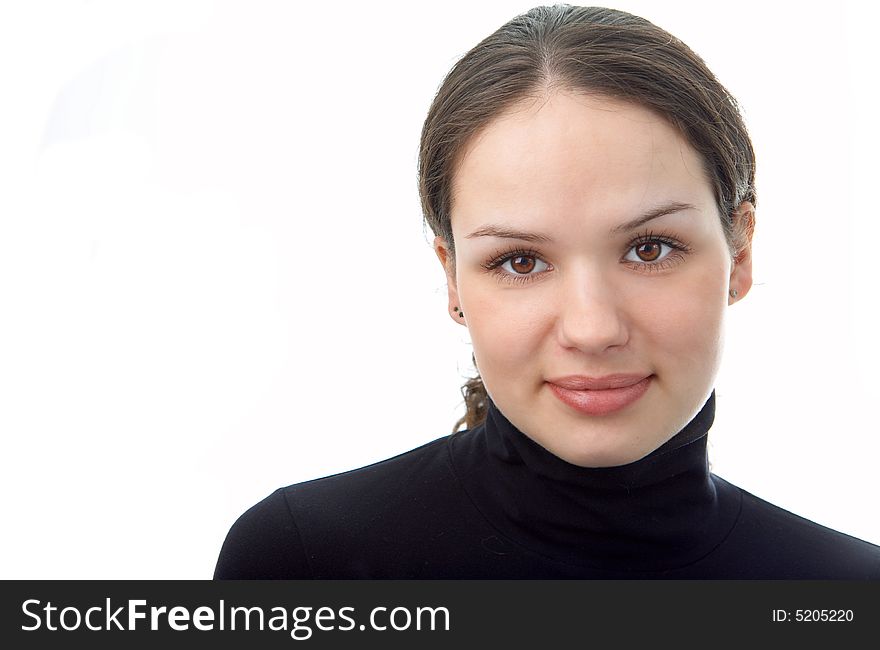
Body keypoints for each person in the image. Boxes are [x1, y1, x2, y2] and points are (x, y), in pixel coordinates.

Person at [214, 4, 880, 579]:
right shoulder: (302, 563)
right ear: (452, 278)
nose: (592, 329)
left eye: (649, 249)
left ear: (741, 251)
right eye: (521, 261)